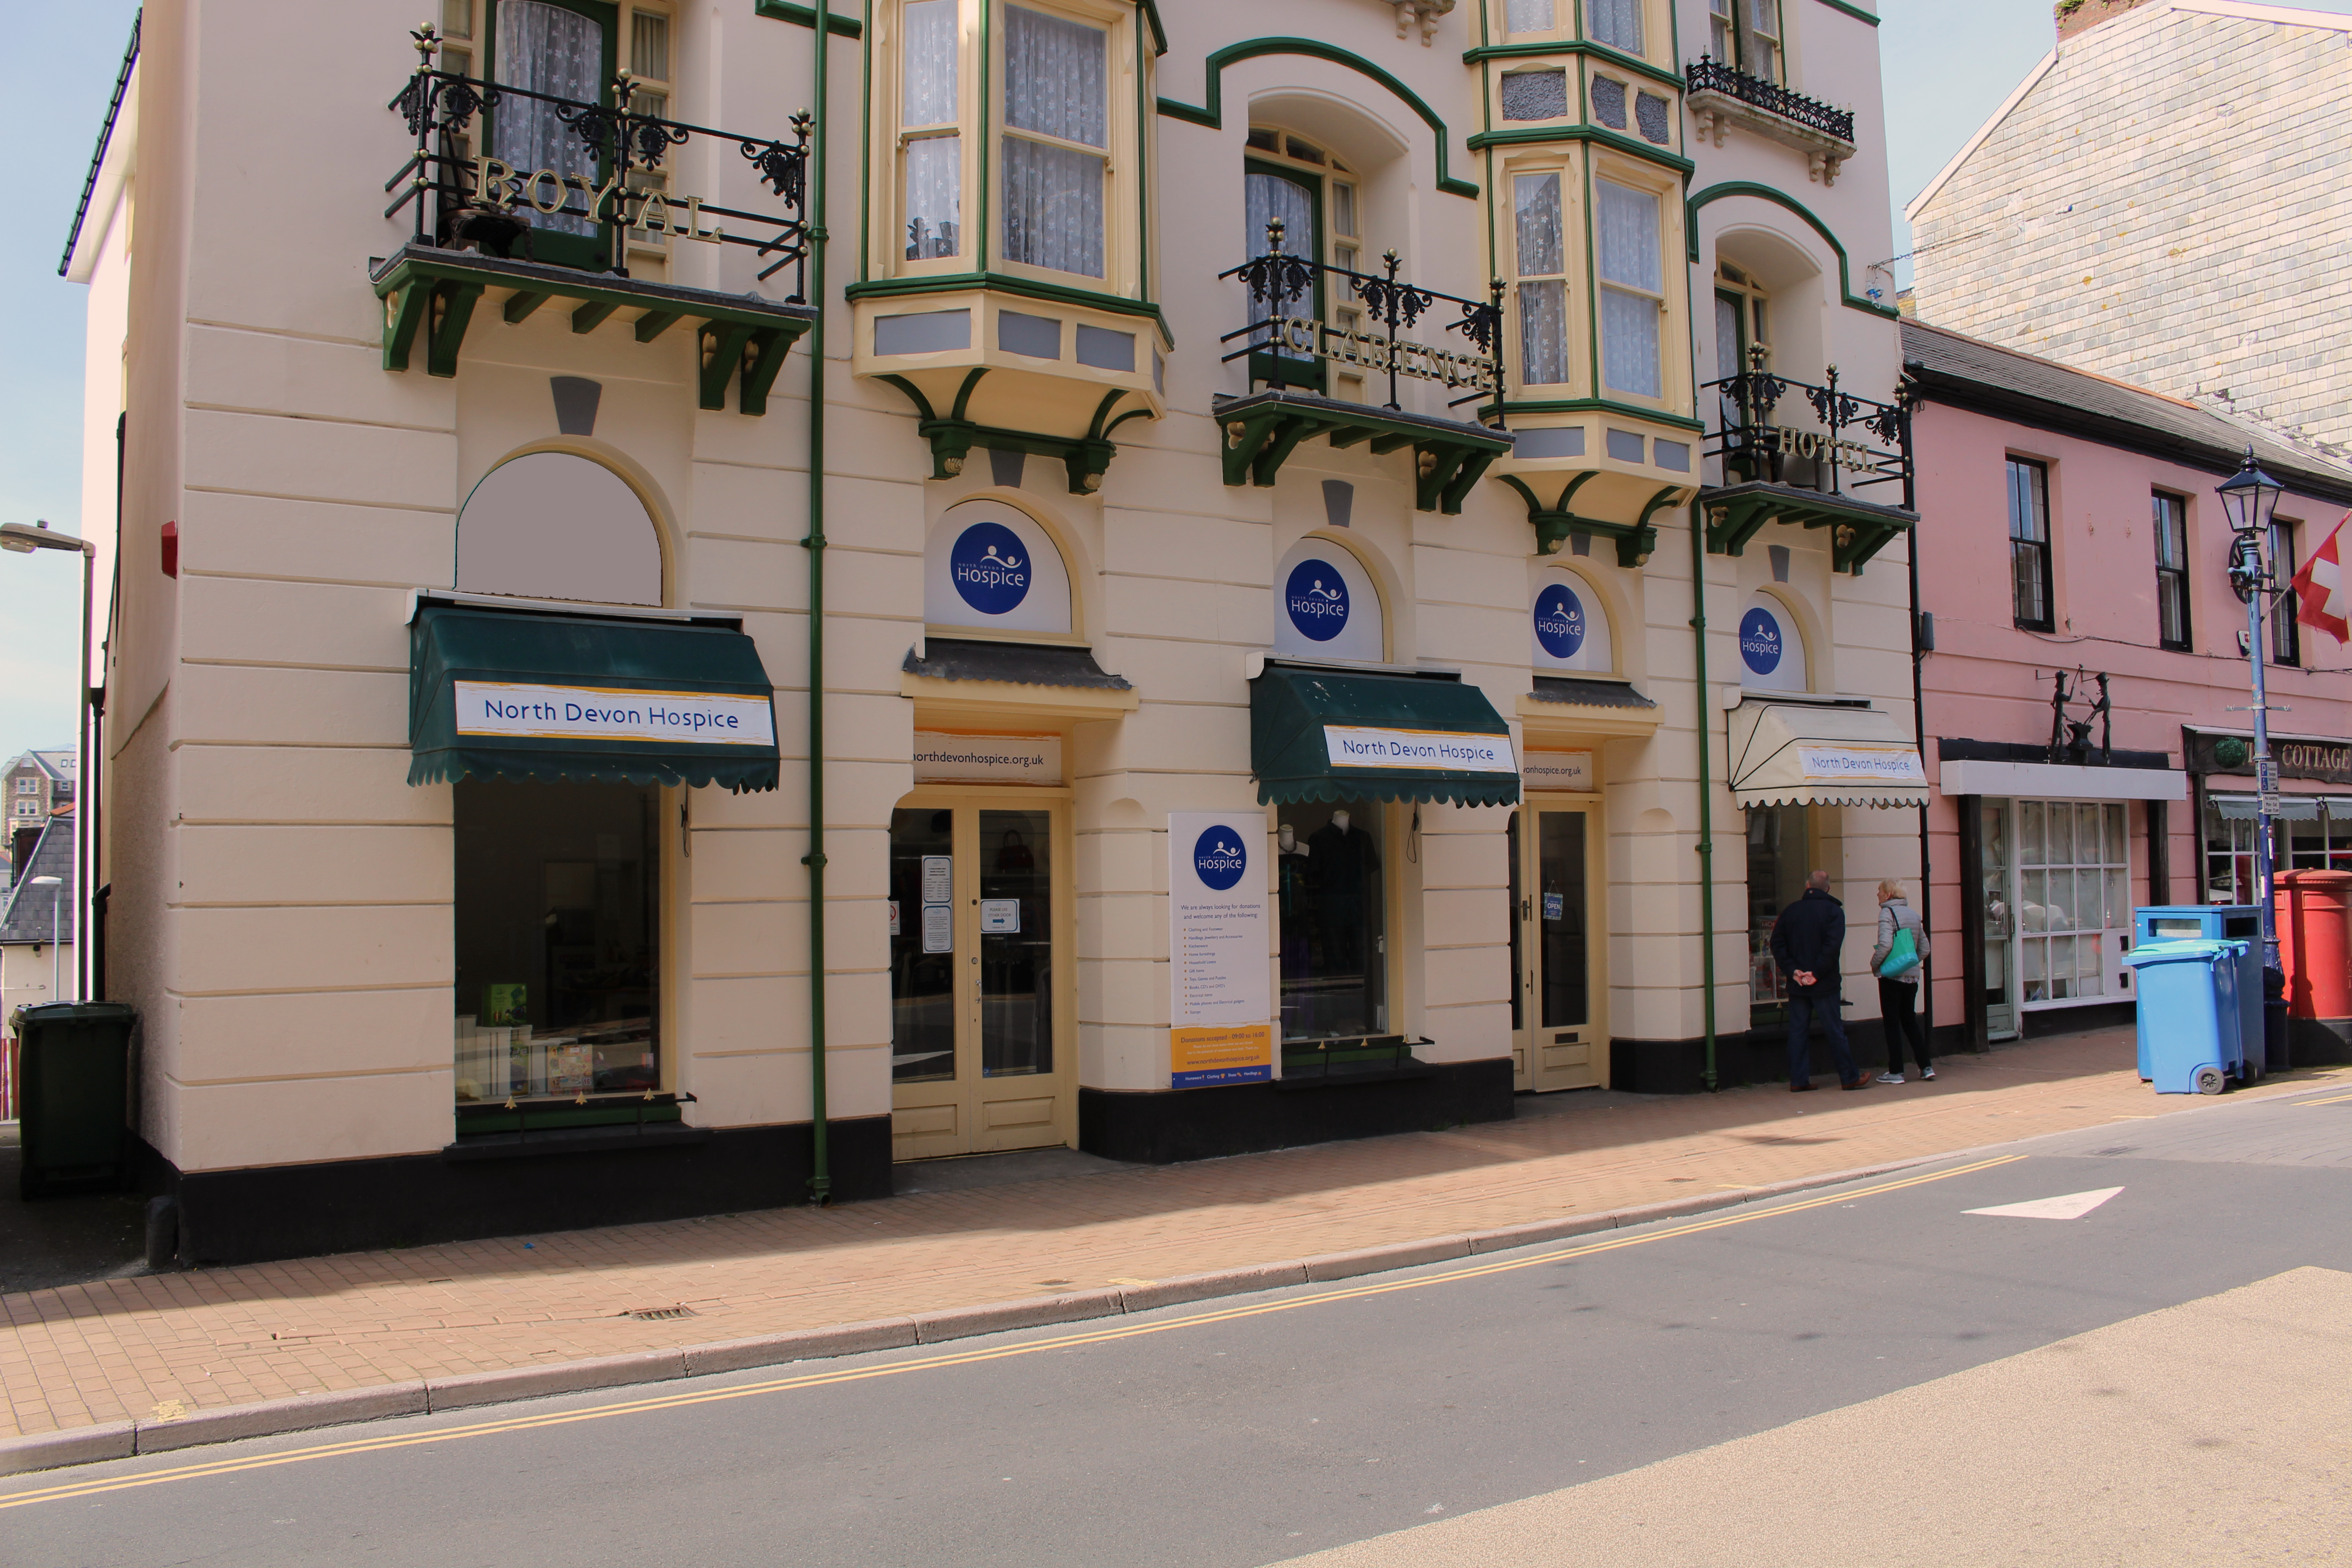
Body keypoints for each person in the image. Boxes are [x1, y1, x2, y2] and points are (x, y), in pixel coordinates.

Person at [1770, 869, 1865, 1092]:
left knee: (1798, 1032)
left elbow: (1777, 944)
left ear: (1806, 886)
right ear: (1828, 889)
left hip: (1798, 983)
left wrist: (1794, 972)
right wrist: (1817, 973)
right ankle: (1849, 1077)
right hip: (1825, 983)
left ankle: (1798, 1080)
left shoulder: (1790, 912)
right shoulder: (1834, 912)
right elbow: (1832, 947)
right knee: (1834, 1030)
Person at [1870, 878, 1934, 1085]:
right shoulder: (1914, 915)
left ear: (1888, 894)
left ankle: (1896, 1071)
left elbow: (1886, 945)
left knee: (1891, 1022)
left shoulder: (1887, 914)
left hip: (1891, 977)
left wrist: (1875, 964)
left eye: (1880, 891)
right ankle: (1926, 1067)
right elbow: (1925, 949)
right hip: (1912, 977)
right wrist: (1909, 962)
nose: (1877, 895)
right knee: (1909, 1020)